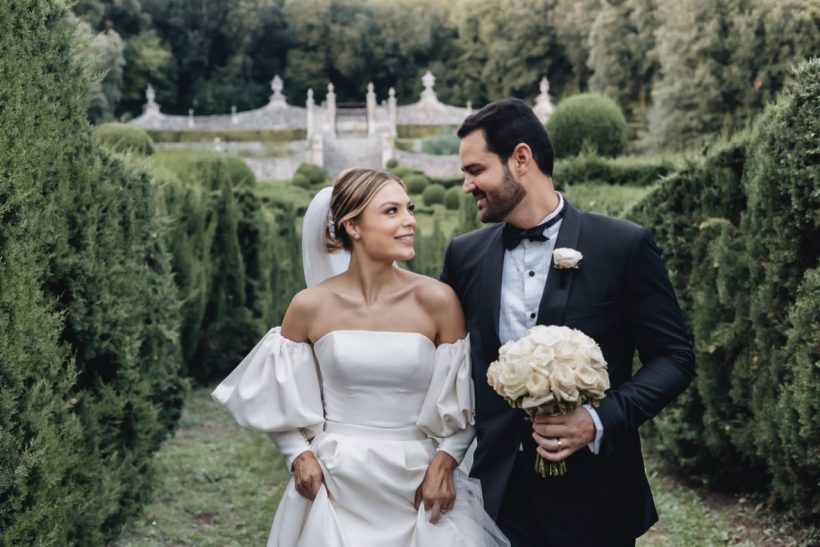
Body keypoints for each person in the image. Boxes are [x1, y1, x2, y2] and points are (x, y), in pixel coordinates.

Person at [440, 98, 695, 547]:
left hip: (597, 496)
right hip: (497, 497)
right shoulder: (464, 255)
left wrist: (597, 420)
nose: (466, 185)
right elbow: (445, 364)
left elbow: (674, 358)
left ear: (521, 159)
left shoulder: (622, 244)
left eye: (475, 170)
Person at [212, 168, 508, 547]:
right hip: (334, 482)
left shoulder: (437, 301)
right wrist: (297, 455)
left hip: (416, 481)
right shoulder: (309, 307)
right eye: (392, 211)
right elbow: (276, 395)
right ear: (353, 226)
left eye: (409, 209)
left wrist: (446, 460)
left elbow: (463, 401)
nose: (410, 222)